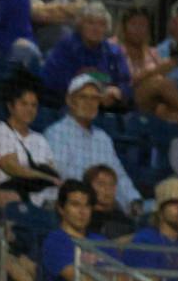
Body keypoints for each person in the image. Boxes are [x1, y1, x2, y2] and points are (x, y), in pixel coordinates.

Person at [45, 75, 137, 208]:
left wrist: (133, 200)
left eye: (94, 98)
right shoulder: (56, 133)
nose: (89, 103)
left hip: (104, 207)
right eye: (83, 97)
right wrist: (96, 194)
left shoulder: (103, 138)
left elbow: (119, 175)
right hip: (75, 205)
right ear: (70, 101)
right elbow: (62, 175)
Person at [41, 4, 132, 109]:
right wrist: (92, 93)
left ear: (106, 28)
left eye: (101, 24)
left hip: (105, 107)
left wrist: (118, 91)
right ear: (80, 25)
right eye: (90, 23)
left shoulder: (114, 52)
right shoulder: (66, 46)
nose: (96, 28)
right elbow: (53, 81)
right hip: (68, 104)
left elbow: (126, 84)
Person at [0, 78, 60, 203]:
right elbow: (12, 167)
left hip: (40, 202)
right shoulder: (0, 129)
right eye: (24, 104)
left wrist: (49, 178)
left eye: (34, 105)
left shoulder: (40, 140)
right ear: (11, 106)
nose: (30, 109)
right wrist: (45, 177)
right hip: (9, 199)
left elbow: (52, 173)